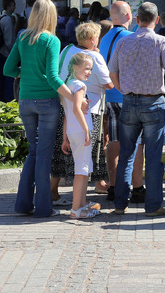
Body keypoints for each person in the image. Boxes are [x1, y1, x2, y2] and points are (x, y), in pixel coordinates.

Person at [108, 2, 165, 216]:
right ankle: (152, 206)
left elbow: (112, 72)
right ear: (156, 20)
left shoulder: (123, 42)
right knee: (153, 156)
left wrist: (123, 90)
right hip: (153, 102)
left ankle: (120, 204)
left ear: (137, 19)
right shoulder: (161, 42)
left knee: (126, 155)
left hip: (129, 102)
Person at [3, 0, 72, 218]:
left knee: (34, 152)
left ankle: (23, 204)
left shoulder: (23, 37)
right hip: (46, 101)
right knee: (43, 154)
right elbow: (52, 76)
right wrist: (71, 96)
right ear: (51, 16)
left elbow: (8, 68)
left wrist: (24, 74)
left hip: (25, 100)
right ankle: (43, 207)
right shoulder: (51, 40)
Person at [52, 22, 113, 201]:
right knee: (86, 158)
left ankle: (53, 190)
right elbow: (108, 84)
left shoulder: (66, 50)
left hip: (65, 106)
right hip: (89, 110)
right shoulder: (94, 57)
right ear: (94, 39)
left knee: (61, 153)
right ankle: (81, 200)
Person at [98, 1, 141, 202]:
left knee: (114, 141)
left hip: (111, 96)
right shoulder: (130, 38)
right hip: (128, 95)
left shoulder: (104, 38)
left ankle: (114, 186)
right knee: (135, 142)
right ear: (127, 16)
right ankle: (138, 186)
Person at [60, 53, 100, 219]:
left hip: (72, 130)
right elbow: (77, 109)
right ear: (75, 68)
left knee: (84, 167)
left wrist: (65, 137)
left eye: (91, 69)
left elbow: (67, 114)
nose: (89, 72)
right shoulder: (79, 86)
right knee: (82, 170)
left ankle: (81, 204)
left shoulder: (68, 83)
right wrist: (86, 130)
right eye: (86, 68)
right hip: (80, 131)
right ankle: (76, 209)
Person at [0, 0, 20, 102]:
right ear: (9, 7)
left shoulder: (0, 17)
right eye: (13, 5)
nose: (15, 7)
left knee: (1, 78)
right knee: (9, 79)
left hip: (0, 52)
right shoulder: (8, 19)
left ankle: (1, 99)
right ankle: (8, 100)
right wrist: (15, 55)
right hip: (6, 53)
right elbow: (9, 40)